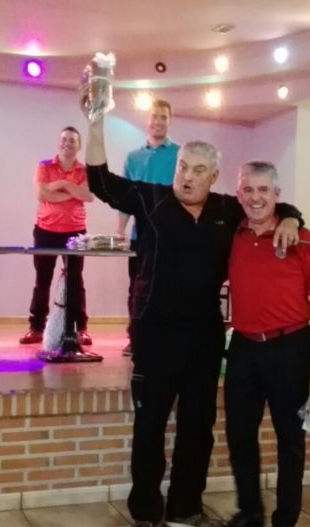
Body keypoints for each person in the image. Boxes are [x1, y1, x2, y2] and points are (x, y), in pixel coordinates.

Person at [84, 111, 303, 527]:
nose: (187, 176)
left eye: (198, 170)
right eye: (183, 166)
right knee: (149, 424)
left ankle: (185, 506)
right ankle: (146, 512)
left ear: (214, 177)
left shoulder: (226, 209)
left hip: (204, 336)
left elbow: (268, 206)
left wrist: (292, 218)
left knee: (198, 426)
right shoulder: (151, 198)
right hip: (154, 335)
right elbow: (99, 181)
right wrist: (94, 123)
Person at [213, 161, 310, 527]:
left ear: (277, 195)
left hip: (290, 349)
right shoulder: (232, 234)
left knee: (291, 439)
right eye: (248, 190)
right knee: (239, 434)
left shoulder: (302, 240)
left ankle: (284, 524)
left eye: (263, 190)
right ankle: (250, 513)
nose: (256, 198)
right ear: (239, 194)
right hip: (243, 349)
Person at [19, 127, 94, 346]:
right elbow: (42, 194)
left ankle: (81, 329)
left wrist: (61, 185)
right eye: (64, 139)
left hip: (75, 231)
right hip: (45, 230)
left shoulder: (84, 170)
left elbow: (88, 195)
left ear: (79, 146)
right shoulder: (44, 166)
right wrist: (72, 192)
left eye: (72, 141)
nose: (67, 143)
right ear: (58, 142)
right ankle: (36, 328)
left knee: (75, 280)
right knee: (42, 281)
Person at [116, 100, 180, 356]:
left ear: (170, 121)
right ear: (147, 120)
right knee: (137, 287)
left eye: (163, 117)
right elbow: (124, 199)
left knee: (170, 285)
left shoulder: (180, 154)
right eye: (155, 116)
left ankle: (166, 337)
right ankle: (136, 338)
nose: (158, 121)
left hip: (171, 234)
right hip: (140, 236)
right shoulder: (133, 158)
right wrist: (120, 231)